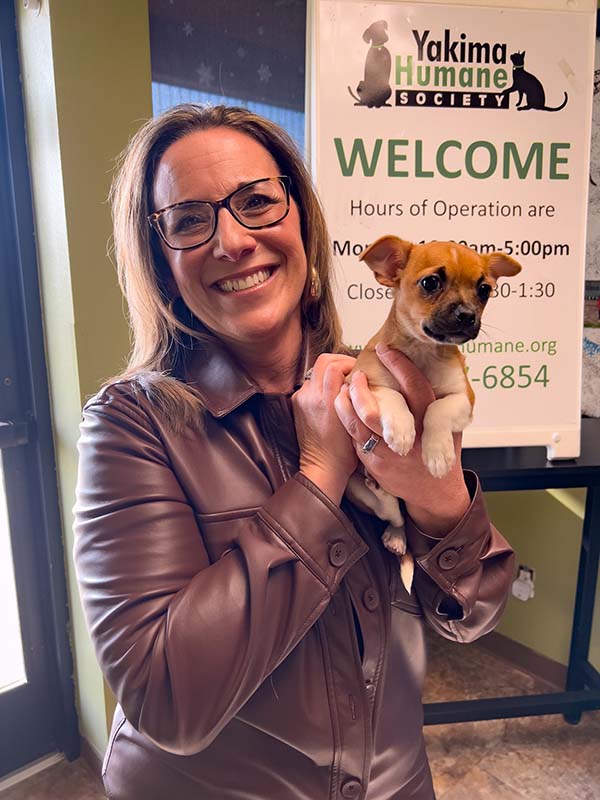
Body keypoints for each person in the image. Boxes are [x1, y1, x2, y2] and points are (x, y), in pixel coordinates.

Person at [73, 104, 515, 800]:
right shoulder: (132, 425)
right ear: (160, 260)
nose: (233, 241)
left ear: (301, 222)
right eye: (190, 220)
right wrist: (320, 476)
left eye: (257, 202)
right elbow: (167, 703)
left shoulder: (382, 387)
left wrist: (438, 499)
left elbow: (478, 614)